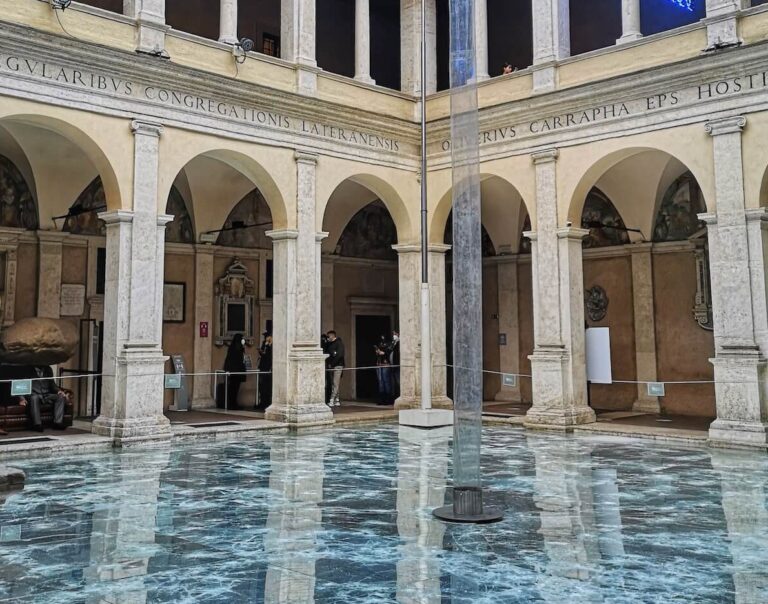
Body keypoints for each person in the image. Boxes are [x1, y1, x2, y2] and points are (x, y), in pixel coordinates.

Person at [18, 365, 69, 432]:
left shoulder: (48, 369)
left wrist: (59, 391)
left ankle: (57, 423)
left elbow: (52, 384)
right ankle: (37, 424)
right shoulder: (27, 369)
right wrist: (22, 398)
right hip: (34, 394)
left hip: (46, 394)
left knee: (60, 397)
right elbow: (20, 384)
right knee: (34, 398)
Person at [219, 333, 246, 409]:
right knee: (233, 389)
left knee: (233, 389)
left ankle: (233, 404)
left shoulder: (232, 348)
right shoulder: (237, 348)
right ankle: (232, 404)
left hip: (234, 372)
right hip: (236, 372)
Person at [326, 330, 344, 407]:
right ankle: (337, 399)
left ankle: (332, 399)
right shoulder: (330, 344)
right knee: (334, 383)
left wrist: (332, 364)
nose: (328, 338)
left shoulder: (339, 343)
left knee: (335, 383)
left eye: (328, 336)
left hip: (337, 365)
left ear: (332, 335)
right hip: (332, 366)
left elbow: (339, 355)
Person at [374, 335, 394, 406]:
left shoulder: (390, 343)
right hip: (379, 364)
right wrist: (377, 351)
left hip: (386, 364)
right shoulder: (379, 343)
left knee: (386, 382)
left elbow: (389, 351)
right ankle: (381, 399)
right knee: (380, 382)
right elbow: (377, 353)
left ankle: (388, 399)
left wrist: (384, 352)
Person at [257, 333, 273, 410]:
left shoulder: (272, 344)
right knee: (261, 386)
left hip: (269, 367)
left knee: (268, 386)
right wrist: (261, 351)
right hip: (263, 366)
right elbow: (264, 354)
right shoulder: (264, 343)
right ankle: (262, 402)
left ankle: (267, 402)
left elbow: (270, 355)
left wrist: (269, 346)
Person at [389, 331, 400, 400]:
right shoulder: (394, 343)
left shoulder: (399, 343)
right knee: (395, 381)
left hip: (397, 365)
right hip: (393, 365)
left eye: (395, 334)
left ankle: (400, 395)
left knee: (399, 381)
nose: (394, 336)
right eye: (393, 334)